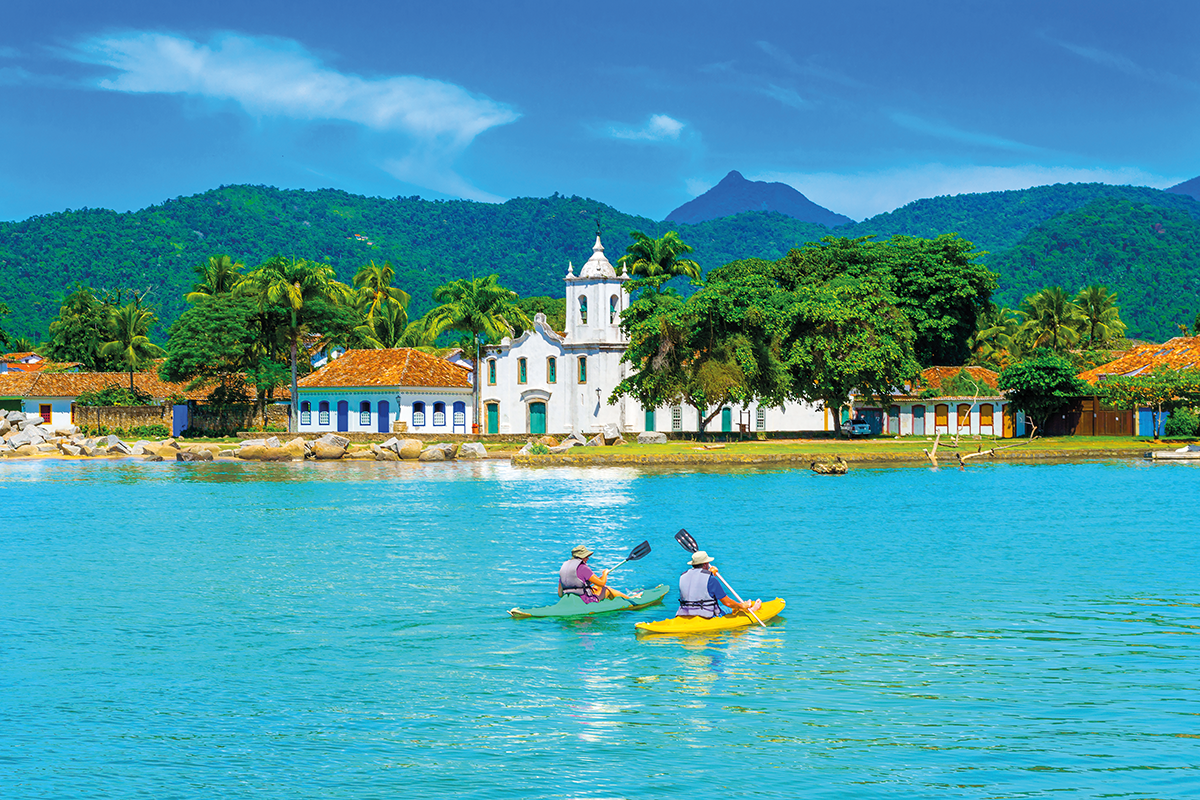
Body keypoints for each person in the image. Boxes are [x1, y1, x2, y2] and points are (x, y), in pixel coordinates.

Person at [676, 551, 761, 618]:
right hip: (706, 614)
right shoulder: (711, 580)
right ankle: (750, 610)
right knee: (730, 608)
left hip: (684, 613)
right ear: (706, 564)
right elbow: (727, 603)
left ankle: (745, 608)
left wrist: (709, 573)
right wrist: (741, 605)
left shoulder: (683, 576)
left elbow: (697, 582)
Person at [558, 544, 631, 603]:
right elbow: (602, 583)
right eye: (586, 556)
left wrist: (585, 586)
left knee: (596, 587)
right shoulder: (583, 568)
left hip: (571, 600)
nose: (588, 558)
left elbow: (560, 594)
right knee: (606, 589)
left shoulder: (564, 568)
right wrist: (604, 573)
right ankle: (630, 600)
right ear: (582, 557)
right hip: (586, 601)